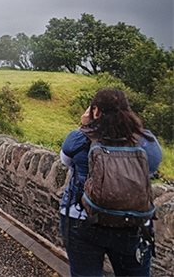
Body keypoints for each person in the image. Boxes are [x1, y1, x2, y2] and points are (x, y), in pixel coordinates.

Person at [59, 88, 162, 277]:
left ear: (96, 111)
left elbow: (66, 161)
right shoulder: (146, 141)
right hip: (132, 222)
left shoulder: (80, 138)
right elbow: (152, 168)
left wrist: (84, 126)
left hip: (83, 220)